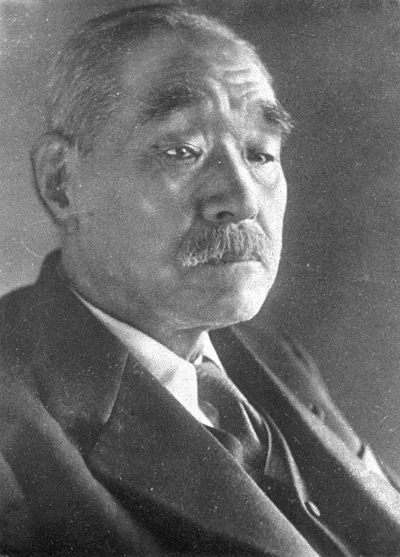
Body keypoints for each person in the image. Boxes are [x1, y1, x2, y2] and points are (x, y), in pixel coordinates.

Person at [0, 3, 399, 556]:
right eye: (182, 150)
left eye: (261, 154)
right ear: (61, 183)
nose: (242, 199)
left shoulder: (272, 357)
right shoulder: (12, 420)